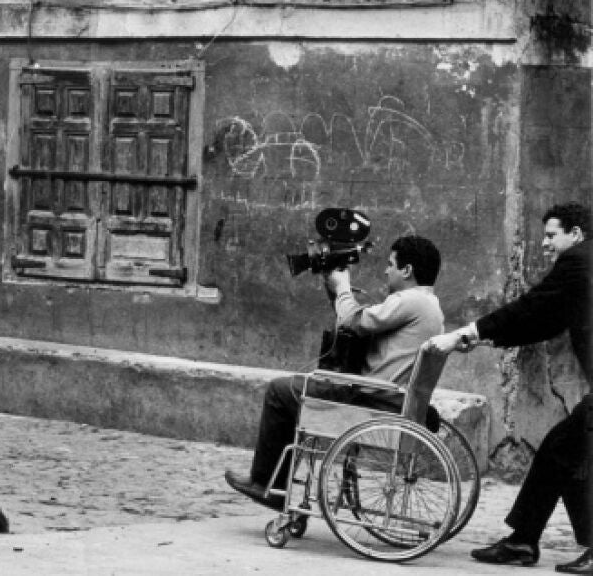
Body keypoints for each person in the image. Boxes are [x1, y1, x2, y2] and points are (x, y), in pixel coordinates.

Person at [423, 202, 592, 572]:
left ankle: (526, 541)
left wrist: (467, 333)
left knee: (567, 451)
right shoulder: (584, 269)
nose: (544, 244)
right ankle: (523, 541)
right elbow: (544, 321)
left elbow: (530, 307)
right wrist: (483, 339)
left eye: (551, 235)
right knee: (561, 451)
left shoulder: (578, 261)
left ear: (576, 234)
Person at [225, 235, 445, 508]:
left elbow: (354, 321)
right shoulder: (430, 306)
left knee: (279, 391)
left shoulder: (410, 301)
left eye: (391, 264)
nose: (385, 271)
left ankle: (266, 484)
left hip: (369, 400)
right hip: (390, 399)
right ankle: (275, 484)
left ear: (407, 270)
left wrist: (342, 287)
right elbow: (353, 322)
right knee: (295, 390)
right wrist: (336, 291)